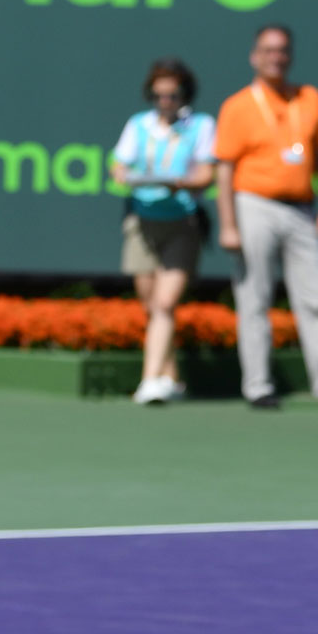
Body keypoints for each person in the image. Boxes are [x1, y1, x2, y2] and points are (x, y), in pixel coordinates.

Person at [213, 23, 318, 410]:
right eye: (268, 51)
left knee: (316, 297)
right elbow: (224, 170)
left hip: (302, 209)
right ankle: (257, 386)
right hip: (253, 204)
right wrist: (228, 225)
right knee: (254, 298)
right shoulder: (238, 105)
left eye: (282, 51)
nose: (276, 57)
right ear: (255, 57)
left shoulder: (309, 98)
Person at [110, 59, 217, 406]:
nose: (165, 102)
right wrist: (125, 176)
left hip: (182, 224)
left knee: (164, 304)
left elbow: (206, 175)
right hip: (142, 223)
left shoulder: (200, 126)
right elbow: (118, 166)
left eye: (172, 95)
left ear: (184, 94)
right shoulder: (138, 125)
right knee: (151, 307)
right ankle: (172, 378)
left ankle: (150, 381)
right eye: (158, 95)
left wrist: (180, 183)